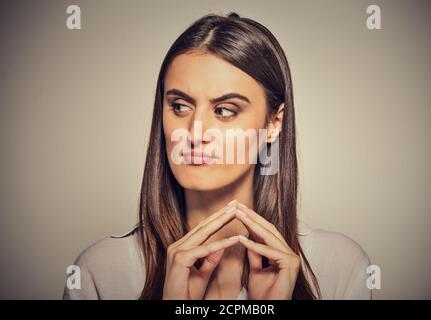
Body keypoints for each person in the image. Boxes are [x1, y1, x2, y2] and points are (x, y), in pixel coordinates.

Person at [63, 12, 372, 300]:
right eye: (180, 106)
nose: (194, 133)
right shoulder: (101, 272)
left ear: (273, 123)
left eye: (225, 111)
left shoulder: (339, 268)